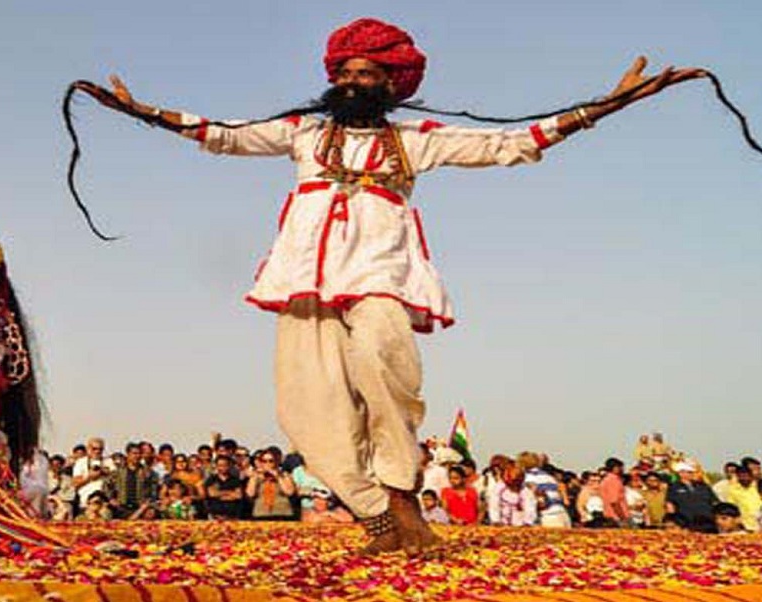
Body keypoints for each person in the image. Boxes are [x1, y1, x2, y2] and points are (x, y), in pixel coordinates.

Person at [92, 17, 702, 554]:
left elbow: (510, 143)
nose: (355, 81)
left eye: (369, 72)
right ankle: (375, 512)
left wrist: (608, 106)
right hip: (304, 279)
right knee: (306, 405)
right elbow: (223, 134)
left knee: (387, 365)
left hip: (381, 274)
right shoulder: (303, 133)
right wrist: (143, 112)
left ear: (391, 83)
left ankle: (401, 491)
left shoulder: (417, 140)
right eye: (348, 71)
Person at [105, 442, 159, 518]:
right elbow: (107, 486)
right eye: (134, 453)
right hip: (121, 507)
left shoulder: (148, 473)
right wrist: (111, 499)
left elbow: (154, 490)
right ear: (128, 454)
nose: (137, 456)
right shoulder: (118, 472)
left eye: (139, 454)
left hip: (140, 507)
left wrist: (147, 503)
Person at [666, 462, 719, 532]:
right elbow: (670, 506)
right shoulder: (674, 487)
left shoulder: (704, 486)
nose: (694, 474)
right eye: (690, 472)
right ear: (681, 473)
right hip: (687, 524)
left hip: (707, 523)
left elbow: (714, 502)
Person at [246, 449, 297, 520]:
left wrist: (278, 477)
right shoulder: (256, 476)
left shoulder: (284, 475)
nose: (268, 464)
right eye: (264, 461)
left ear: (276, 462)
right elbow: (250, 494)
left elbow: (289, 492)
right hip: (261, 514)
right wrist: (255, 476)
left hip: (282, 513)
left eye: (271, 461)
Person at [522, 453, 570, 528]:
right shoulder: (548, 477)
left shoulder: (528, 478)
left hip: (547, 516)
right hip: (562, 513)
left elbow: (538, 501)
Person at [71, 437, 114, 512]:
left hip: (104, 503)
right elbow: (75, 483)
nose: (97, 451)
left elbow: (115, 479)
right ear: (88, 449)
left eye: (100, 449)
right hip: (86, 503)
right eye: (94, 448)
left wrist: (103, 472)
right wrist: (89, 477)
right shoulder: (81, 462)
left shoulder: (108, 462)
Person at [203, 455, 246, 520]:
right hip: (215, 516)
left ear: (229, 466)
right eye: (220, 465)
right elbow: (212, 494)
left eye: (225, 465)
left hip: (232, 516)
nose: (222, 467)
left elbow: (238, 495)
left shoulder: (235, 480)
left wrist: (220, 494)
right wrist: (230, 493)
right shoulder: (211, 479)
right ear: (216, 466)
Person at [724, 465, 760, 532]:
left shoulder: (756, 488)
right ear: (738, 477)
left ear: (751, 476)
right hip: (745, 527)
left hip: (759, 524)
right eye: (742, 476)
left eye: (746, 476)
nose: (744, 478)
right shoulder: (733, 491)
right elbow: (731, 509)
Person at [600, 458, 629, 526]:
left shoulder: (606, 480)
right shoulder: (613, 481)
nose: (623, 470)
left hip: (612, 516)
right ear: (616, 468)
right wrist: (622, 518)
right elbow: (614, 502)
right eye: (621, 467)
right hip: (617, 517)